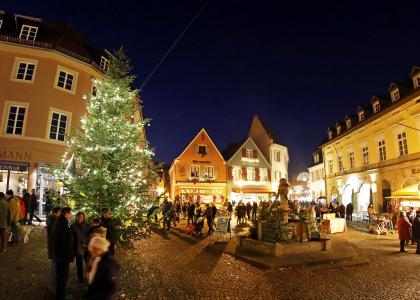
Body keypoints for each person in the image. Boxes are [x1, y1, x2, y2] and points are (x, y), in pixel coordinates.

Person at [52, 207, 74, 300]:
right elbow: (65, 243)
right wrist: (71, 255)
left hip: (58, 255)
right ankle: (61, 296)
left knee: (60, 277)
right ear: (66, 214)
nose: (71, 215)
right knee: (63, 277)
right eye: (70, 213)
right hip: (63, 256)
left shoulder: (59, 222)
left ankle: (60, 295)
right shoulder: (63, 225)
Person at [71, 212, 89, 283]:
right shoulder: (73, 226)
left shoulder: (87, 225)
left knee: (88, 263)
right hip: (78, 247)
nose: (80, 218)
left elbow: (90, 235)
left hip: (87, 247)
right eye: (78, 217)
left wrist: (86, 242)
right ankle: (80, 278)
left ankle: (88, 277)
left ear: (84, 217)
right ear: (76, 217)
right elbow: (71, 238)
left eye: (81, 217)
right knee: (79, 264)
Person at [47, 206, 61, 291]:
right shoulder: (54, 222)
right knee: (55, 266)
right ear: (55, 213)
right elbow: (54, 237)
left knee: (55, 265)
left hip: (53, 247)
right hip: (55, 248)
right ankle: (53, 284)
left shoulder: (52, 221)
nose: (60, 214)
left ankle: (53, 283)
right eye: (59, 213)